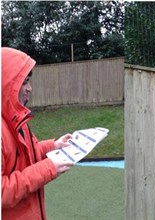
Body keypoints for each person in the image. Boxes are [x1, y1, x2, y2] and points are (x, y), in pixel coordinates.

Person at [2, 47, 75, 219]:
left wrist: (53, 146)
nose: (30, 89)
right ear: (6, 84)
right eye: (24, 81)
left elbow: (26, 152)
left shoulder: (16, 118)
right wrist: (48, 168)